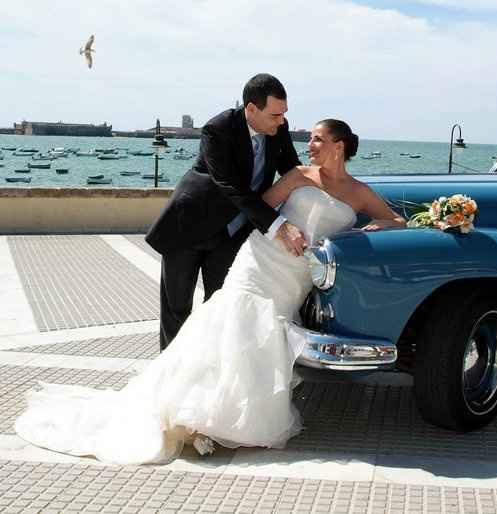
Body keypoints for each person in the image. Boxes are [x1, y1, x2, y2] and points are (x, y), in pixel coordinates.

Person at [14, 119, 406, 465]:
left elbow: (396, 220)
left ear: (339, 145)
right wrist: (283, 226)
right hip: (263, 257)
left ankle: (234, 415)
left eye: (319, 139)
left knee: (265, 335)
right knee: (230, 320)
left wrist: (374, 229)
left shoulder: (359, 191)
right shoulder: (299, 175)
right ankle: (197, 412)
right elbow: (264, 205)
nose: (310, 144)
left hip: (298, 273)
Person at [145, 73, 307, 351]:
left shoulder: (278, 128)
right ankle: (172, 376)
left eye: (284, 114)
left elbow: (292, 170)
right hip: (189, 226)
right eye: (274, 115)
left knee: (220, 308)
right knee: (177, 308)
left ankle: (210, 371)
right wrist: (279, 225)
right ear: (251, 109)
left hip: (232, 234)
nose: (281, 121)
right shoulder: (217, 130)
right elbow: (231, 187)